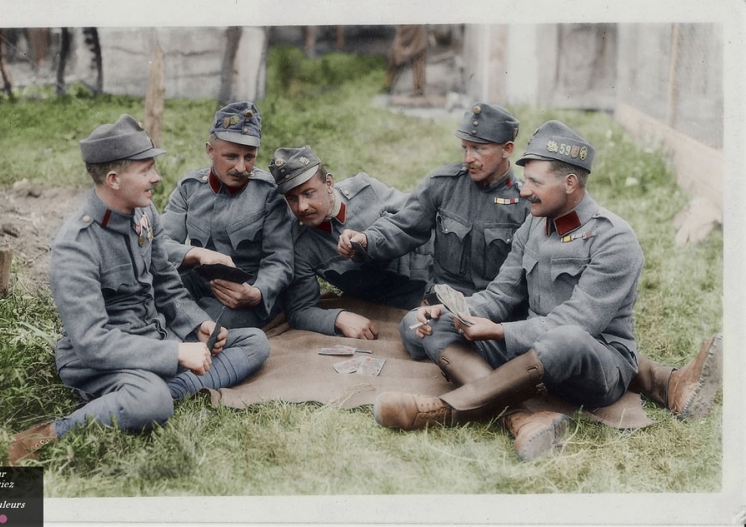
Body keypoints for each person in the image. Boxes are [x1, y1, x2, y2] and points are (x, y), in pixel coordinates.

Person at [372, 120, 723, 461]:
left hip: (595, 365)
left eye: (535, 183)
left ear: (570, 183)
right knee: (427, 324)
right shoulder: (534, 225)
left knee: (565, 338)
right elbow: (501, 294)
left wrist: (499, 330)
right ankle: (523, 416)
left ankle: (447, 409)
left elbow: (578, 323)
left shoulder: (614, 239)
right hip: (533, 357)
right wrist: (455, 312)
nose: (523, 190)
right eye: (525, 180)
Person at [7, 115, 270, 465]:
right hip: (104, 359)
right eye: (146, 170)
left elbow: (166, 283)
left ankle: (154, 392)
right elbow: (92, 342)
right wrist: (176, 354)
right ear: (114, 180)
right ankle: (54, 431)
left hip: (156, 337)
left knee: (254, 342)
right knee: (153, 404)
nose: (157, 178)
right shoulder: (77, 246)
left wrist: (197, 325)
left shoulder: (144, 215)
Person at [338, 103, 530, 299]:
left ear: (507, 149)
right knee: (412, 327)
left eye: (478, 149)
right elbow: (404, 226)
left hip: (500, 306)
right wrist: (367, 239)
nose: (469, 158)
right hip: (448, 300)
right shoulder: (443, 184)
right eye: (465, 148)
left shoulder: (526, 203)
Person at [269, 145, 432, 339]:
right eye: (292, 199)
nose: (302, 207)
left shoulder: (365, 190)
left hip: (432, 279)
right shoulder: (300, 243)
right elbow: (300, 310)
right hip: (389, 308)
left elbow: (420, 218)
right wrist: (339, 318)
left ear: (328, 183)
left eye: (308, 193)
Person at [161, 102, 294, 329]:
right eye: (231, 156)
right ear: (210, 151)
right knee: (155, 300)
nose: (241, 168)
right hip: (200, 281)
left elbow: (279, 259)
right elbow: (161, 244)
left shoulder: (268, 193)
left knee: (203, 326)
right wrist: (196, 253)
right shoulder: (189, 188)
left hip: (244, 292)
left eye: (249, 157)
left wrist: (257, 293)